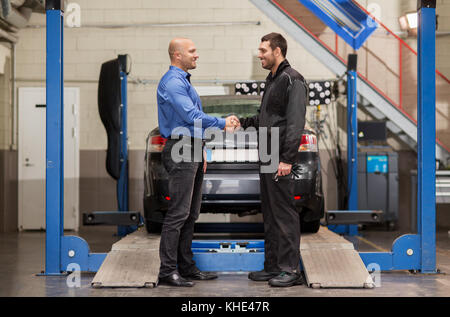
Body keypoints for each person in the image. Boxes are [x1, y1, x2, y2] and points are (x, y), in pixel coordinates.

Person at [156, 38, 239, 287]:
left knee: (190, 213)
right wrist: (223, 123)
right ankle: (167, 270)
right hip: (180, 148)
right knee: (178, 213)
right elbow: (190, 116)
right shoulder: (172, 83)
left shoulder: (182, 81)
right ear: (177, 55)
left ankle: (186, 266)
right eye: (192, 51)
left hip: (191, 147)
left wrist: (201, 148)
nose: (197, 55)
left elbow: (191, 124)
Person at [239, 33, 308, 287]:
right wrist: (242, 123)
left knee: (284, 214)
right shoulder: (272, 80)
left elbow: (295, 123)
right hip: (267, 154)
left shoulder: (293, 80)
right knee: (269, 212)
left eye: (263, 50)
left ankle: (290, 269)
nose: (259, 55)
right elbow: (266, 119)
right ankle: (272, 266)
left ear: (277, 51)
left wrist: (287, 159)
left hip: (280, 156)